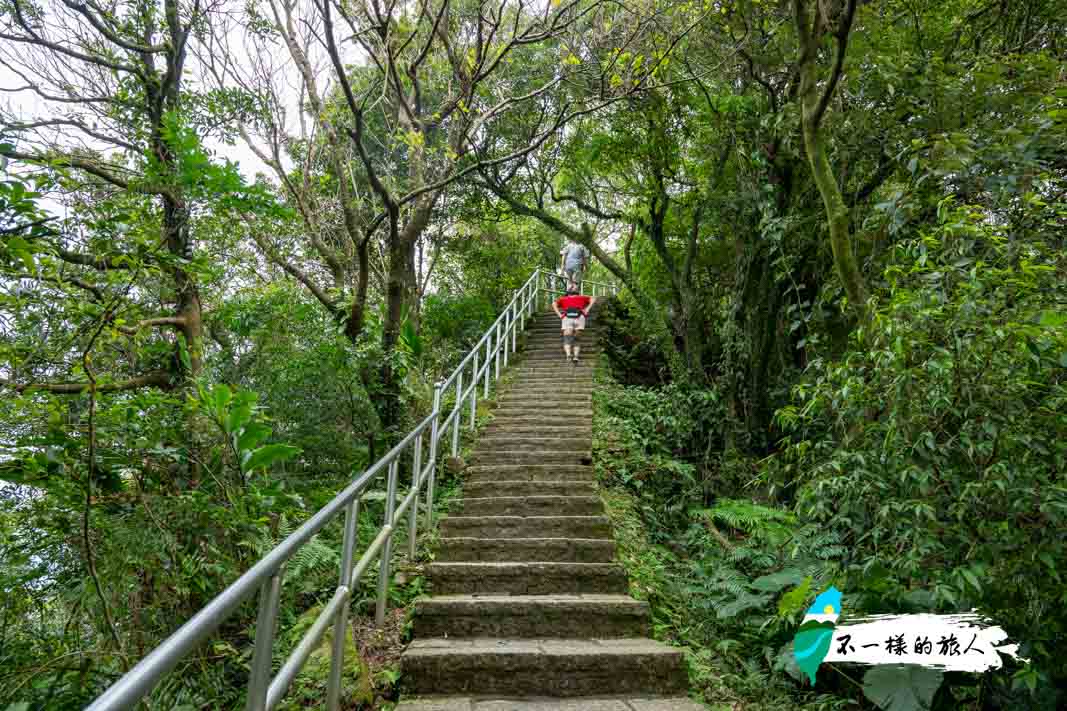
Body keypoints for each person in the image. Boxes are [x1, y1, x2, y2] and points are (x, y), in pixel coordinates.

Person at [553, 287, 596, 363]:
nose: (573, 288)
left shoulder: (564, 298)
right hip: (578, 317)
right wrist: (587, 309)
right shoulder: (578, 298)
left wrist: (559, 315)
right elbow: (593, 298)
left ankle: (570, 355)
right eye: (572, 287)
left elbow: (554, 304)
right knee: (576, 338)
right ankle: (574, 356)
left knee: (568, 338)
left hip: (568, 317)